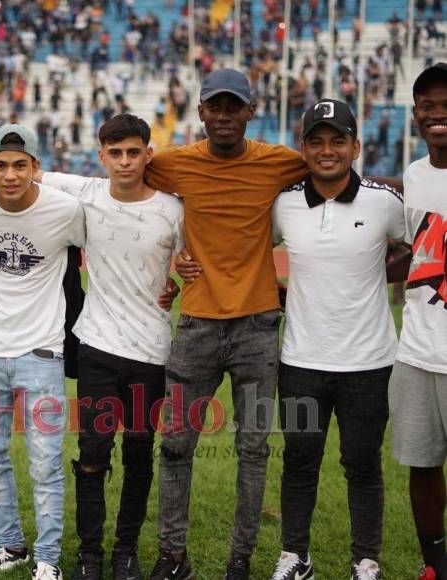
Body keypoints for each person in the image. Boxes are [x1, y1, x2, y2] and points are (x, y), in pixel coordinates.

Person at [144, 68, 309, 580]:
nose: (223, 116)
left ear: (250, 111)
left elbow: (334, 170)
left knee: (253, 448)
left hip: (257, 328)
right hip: (195, 324)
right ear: (200, 112)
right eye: (214, 106)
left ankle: (240, 559)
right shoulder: (174, 163)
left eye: (233, 106)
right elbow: (131, 188)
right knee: (175, 445)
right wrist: (175, 255)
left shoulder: (280, 161)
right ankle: (174, 557)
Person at [37, 114, 186, 580]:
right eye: (115, 153)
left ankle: (125, 551)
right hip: (96, 347)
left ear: (148, 154)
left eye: (133, 152)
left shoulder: (171, 210)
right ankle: (90, 555)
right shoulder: (85, 194)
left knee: (140, 453)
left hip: (151, 351)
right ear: (102, 155)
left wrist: (177, 285)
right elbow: (20, 169)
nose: (124, 162)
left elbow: (191, 263)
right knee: (92, 455)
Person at [267, 100, 404, 580]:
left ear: (356, 147)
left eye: (338, 140)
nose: (328, 151)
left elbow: (419, 244)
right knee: (299, 460)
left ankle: (366, 560)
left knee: (362, 463)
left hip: (369, 361)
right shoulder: (283, 203)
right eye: (317, 141)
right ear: (302, 147)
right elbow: (246, 251)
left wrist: (386, 277)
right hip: (301, 358)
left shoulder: (383, 201)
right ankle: (294, 555)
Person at [0, 124, 86, 580]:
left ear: (36, 167)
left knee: (45, 462)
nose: (10, 176)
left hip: (42, 353)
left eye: (19, 165)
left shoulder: (65, 210)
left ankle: (48, 557)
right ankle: (11, 545)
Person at [387, 63, 447, 580]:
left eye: (446, 104)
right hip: (418, 350)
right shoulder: (414, 174)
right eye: (428, 105)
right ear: (415, 114)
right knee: (422, 465)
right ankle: (435, 565)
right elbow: (417, 251)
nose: (437, 113)